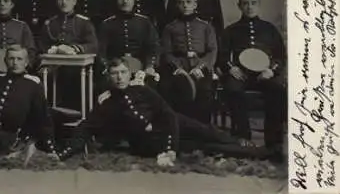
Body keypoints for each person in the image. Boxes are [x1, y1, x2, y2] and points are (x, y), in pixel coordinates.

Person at [56, 58, 266, 165]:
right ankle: (255, 153)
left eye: (123, 73)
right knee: (206, 147)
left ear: (129, 74)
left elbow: (166, 114)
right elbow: (87, 125)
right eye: (114, 74)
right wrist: (68, 150)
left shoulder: (142, 90)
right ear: (109, 77)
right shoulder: (107, 103)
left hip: (171, 124)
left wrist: (170, 149)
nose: (119, 77)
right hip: (150, 142)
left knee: (206, 130)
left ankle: (241, 142)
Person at [219, 0, 286, 161]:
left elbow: (280, 55)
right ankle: (243, 138)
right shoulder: (231, 30)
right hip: (241, 73)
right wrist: (231, 69)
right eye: (245, 3)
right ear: (239, 6)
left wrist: (272, 69)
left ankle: (273, 142)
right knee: (232, 89)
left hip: (264, 73)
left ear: (259, 5)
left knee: (277, 89)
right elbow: (223, 55)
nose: (249, 7)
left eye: (253, 3)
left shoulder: (269, 29)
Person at [159, 0, 217, 124]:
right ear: (177, 6)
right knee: (170, 89)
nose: (185, 5)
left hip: (201, 65)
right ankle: (181, 128)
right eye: (181, 2)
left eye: (188, 2)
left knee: (205, 91)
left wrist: (201, 67)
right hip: (177, 67)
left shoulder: (206, 26)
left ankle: (202, 130)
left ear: (195, 4)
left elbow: (212, 50)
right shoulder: (170, 27)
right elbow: (166, 52)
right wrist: (178, 68)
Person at [39, 0, 98, 110]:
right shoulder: (50, 23)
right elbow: (42, 45)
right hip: (54, 67)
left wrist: (76, 49)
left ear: (74, 1)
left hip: (76, 67)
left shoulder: (84, 22)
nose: (63, 2)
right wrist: (53, 50)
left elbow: (93, 45)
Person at [99, 0, 160, 80]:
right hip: (116, 69)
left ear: (134, 1)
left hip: (141, 69)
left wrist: (149, 66)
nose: (125, 1)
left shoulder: (145, 22)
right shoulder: (107, 24)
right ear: (116, 0)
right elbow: (101, 51)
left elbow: (153, 47)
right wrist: (107, 67)